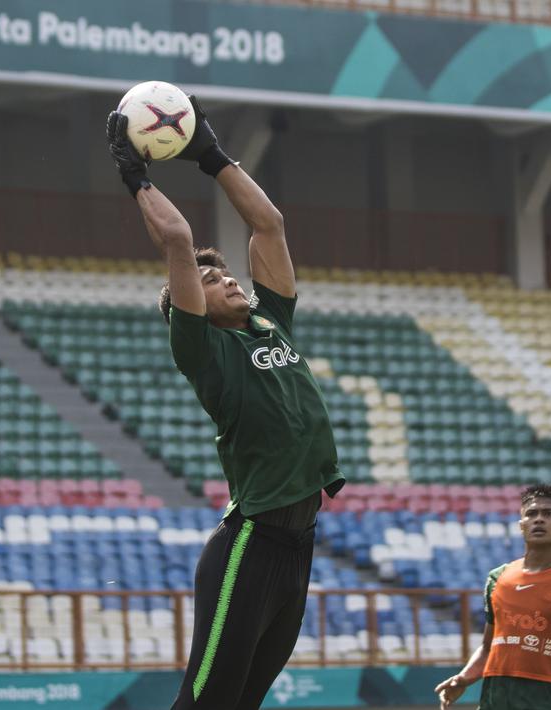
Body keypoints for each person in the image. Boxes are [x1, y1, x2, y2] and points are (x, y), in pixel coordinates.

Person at [106, 98, 345, 710]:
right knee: (206, 702)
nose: (229, 279)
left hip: (299, 546)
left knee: (243, 703)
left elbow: (269, 226)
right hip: (250, 545)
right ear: (192, 309)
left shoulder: (273, 324)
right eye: (213, 283)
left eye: (226, 275)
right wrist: (135, 176)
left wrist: (212, 156)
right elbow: (181, 242)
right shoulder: (203, 350)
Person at [434, 484, 551, 710]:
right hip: (493, 702)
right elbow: (489, 647)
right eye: (531, 514)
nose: (539, 519)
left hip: (545, 702)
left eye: (549, 514)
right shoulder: (497, 578)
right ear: (521, 525)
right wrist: (464, 678)